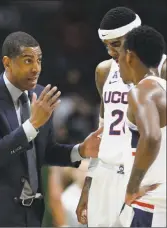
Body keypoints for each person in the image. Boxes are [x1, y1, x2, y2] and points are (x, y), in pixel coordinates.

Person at [0, 31, 103, 227]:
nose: (36, 68)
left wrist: (79, 150)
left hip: (33, 213)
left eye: (39, 60)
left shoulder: (40, 94)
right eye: (28, 61)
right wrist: (32, 125)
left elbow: (45, 152)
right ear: (7, 63)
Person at [76, 7, 167, 227]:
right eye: (107, 46)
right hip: (106, 174)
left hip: (142, 177)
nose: (110, 52)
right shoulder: (104, 71)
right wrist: (89, 183)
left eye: (116, 44)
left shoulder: (161, 69)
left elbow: (153, 136)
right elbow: (102, 132)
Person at [118, 25, 166, 227]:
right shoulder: (162, 88)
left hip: (152, 206)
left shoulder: (142, 90)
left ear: (129, 56)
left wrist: (132, 187)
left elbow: (152, 137)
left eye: (118, 56)